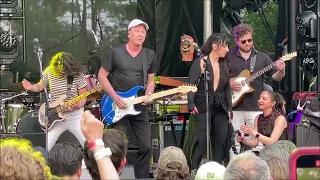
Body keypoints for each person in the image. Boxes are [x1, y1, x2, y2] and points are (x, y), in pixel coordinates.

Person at [98, 19, 157, 178]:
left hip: (139, 105)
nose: (140, 34)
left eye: (143, 32)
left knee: (146, 145)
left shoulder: (149, 55)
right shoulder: (115, 53)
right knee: (118, 146)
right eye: (137, 31)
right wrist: (114, 96)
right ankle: (115, 176)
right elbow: (101, 76)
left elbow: (151, 80)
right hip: (118, 105)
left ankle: (142, 176)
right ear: (129, 33)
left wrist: (149, 93)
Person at [227, 24, 286, 156]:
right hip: (234, 107)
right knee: (235, 142)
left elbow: (276, 77)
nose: (247, 43)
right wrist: (229, 82)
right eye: (243, 41)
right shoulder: (228, 56)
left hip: (255, 107)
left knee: (258, 143)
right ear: (236, 40)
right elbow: (218, 76)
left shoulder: (262, 57)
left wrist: (281, 70)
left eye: (250, 40)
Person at [22, 52, 87, 150]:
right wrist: (31, 87)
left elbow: (83, 98)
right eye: (58, 69)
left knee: (86, 144)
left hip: (74, 116)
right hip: (56, 116)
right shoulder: (49, 71)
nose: (60, 71)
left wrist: (76, 106)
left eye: (63, 70)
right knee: (47, 146)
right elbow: (40, 87)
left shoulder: (77, 75)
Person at [187, 33, 232, 170]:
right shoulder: (201, 62)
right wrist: (190, 103)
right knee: (202, 141)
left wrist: (229, 108)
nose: (227, 49)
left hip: (220, 106)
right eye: (224, 46)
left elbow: (227, 89)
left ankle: (217, 170)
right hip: (203, 104)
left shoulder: (224, 64)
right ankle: (194, 170)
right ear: (214, 46)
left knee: (220, 140)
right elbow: (191, 84)